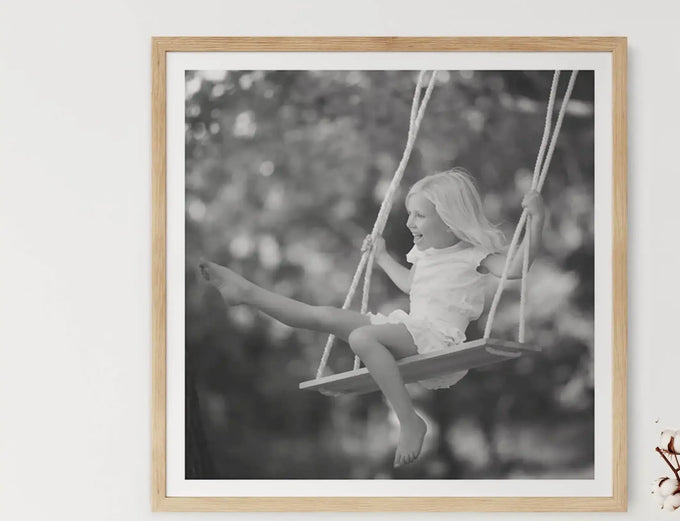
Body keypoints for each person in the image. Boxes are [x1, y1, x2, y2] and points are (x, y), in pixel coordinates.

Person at [200, 169, 545, 468]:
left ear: (449, 217)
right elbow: (412, 284)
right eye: (410, 214)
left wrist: (537, 221)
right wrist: (380, 257)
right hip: (413, 330)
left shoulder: (475, 255)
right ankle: (246, 293)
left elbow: (517, 268)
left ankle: (410, 422)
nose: (410, 222)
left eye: (420, 215)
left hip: (440, 340)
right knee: (323, 317)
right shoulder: (423, 258)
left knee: (363, 338)